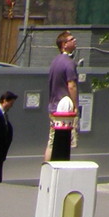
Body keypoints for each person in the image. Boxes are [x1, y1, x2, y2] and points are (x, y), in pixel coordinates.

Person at [45, 29, 79, 162]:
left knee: (52, 141)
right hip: (64, 110)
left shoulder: (55, 62)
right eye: (71, 39)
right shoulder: (69, 63)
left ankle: (47, 169)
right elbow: (72, 85)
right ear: (64, 44)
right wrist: (76, 106)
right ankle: (52, 169)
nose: (75, 41)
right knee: (63, 142)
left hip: (53, 106)